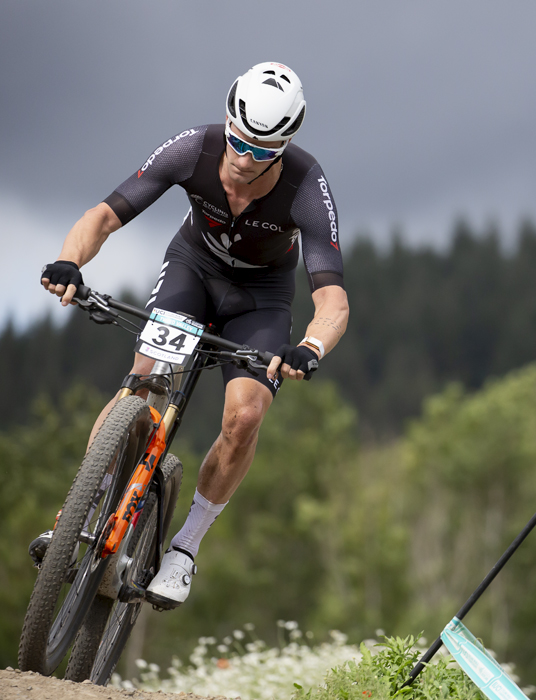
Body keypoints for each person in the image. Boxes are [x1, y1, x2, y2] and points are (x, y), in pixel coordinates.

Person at [38, 62, 349, 609]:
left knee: (245, 416)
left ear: (284, 146)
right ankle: (78, 515)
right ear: (227, 121)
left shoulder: (307, 185)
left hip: (262, 299)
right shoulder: (194, 149)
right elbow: (103, 216)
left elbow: (332, 299)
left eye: (260, 151)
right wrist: (68, 261)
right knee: (144, 380)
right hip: (191, 271)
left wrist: (311, 347)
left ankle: (184, 549)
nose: (242, 157)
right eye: (237, 139)